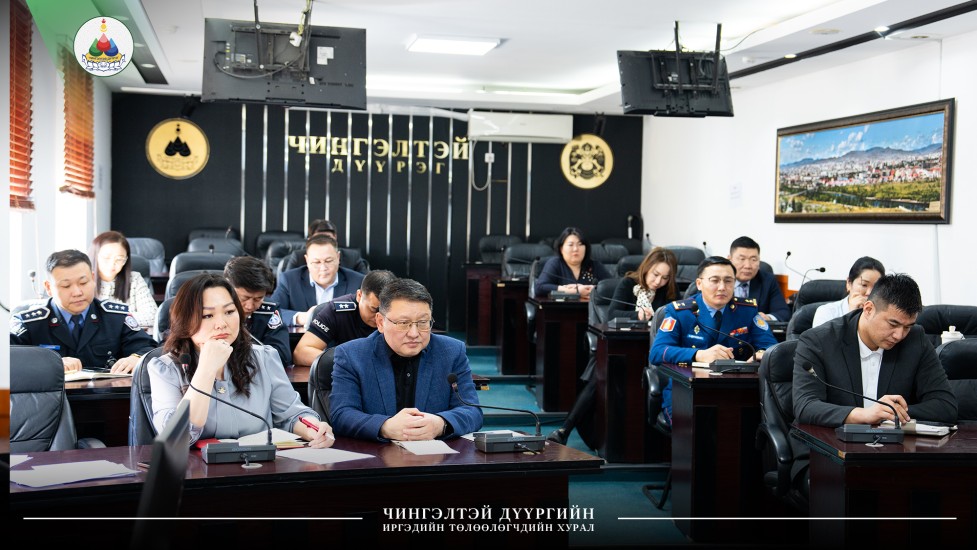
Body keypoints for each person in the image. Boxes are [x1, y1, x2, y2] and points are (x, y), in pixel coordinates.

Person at [147, 273, 334, 447]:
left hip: (259, 465)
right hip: (196, 469)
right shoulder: (166, 368)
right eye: (207, 315)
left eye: (229, 312)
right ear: (185, 322)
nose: (222, 324)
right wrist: (206, 369)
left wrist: (313, 428)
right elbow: (176, 437)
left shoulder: (263, 358)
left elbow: (292, 415)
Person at [548, 247, 679, 444]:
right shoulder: (628, 283)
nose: (658, 281)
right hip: (620, 348)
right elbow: (612, 314)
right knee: (599, 376)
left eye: (665, 278)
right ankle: (564, 429)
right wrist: (638, 315)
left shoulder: (669, 292)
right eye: (655, 274)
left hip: (651, 349)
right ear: (646, 268)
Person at [793, 274, 957, 427]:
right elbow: (805, 406)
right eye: (893, 324)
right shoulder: (819, 341)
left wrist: (890, 413)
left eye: (907, 327)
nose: (899, 335)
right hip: (832, 442)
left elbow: (946, 406)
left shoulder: (915, 339)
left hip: (893, 445)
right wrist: (863, 415)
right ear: (868, 309)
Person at [330, 278, 483, 441]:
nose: (414, 333)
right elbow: (341, 414)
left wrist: (441, 424)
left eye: (423, 322)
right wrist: (384, 427)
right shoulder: (352, 356)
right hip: (375, 453)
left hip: (434, 454)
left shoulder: (452, 352)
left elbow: (473, 412)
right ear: (380, 322)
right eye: (403, 323)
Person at [649, 256, 778, 422]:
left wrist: (760, 355)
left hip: (735, 391)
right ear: (699, 284)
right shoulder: (680, 312)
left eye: (728, 281)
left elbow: (771, 347)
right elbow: (657, 352)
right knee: (697, 427)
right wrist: (699, 355)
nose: (722, 287)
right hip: (687, 391)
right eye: (715, 280)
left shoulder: (747, 311)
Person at [10, 249, 157, 373]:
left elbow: (149, 348)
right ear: (49, 288)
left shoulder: (115, 318)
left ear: (93, 279)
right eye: (66, 286)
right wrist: (49, 363)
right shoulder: (31, 324)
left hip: (105, 396)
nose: (77, 292)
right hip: (50, 397)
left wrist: (136, 358)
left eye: (83, 282)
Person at [156, 256, 291, 366]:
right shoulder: (192, 309)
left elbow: (282, 356)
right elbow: (169, 349)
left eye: (258, 299)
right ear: (228, 287)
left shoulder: (269, 310)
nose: (250, 306)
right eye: (244, 298)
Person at [292, 269, 398, 367]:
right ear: (359, 295)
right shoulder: (337, 311)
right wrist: (348, 362)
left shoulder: (402, 314)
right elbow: (301, 352)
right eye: (374, 309)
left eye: (385, 313)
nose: (379, 318)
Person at [270, 234, 365, 327]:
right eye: (316, 262)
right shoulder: (289, 280)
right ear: (307, 260)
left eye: (328, 261)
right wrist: (303, 317)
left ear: (338, 257)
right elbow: (272, 311)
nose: (323, 268)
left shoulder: (357, 281)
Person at [90, 230, 158, 327]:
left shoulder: (134, 279)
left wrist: (107, 319)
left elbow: (152, 316)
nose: (112, 264)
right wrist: (125, 318)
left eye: (119, 259)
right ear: (95, 256)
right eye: (106, 258)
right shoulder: (84, 281)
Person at [534, 227, 612, 299]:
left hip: (589, 308)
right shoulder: (555, 263)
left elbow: (612, 287)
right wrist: (574, 291)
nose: (575, 249)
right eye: (570, 245)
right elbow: (539, 288)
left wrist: (595, 289)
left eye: (580, 244)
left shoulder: (594, 266)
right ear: (561, 249)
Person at [727, 236, 792, 322]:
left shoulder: (768, 280)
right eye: (742, 259)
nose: (748, 266)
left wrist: (767, 317)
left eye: (753, 259)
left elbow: (783, 312)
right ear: (730, 260)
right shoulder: (719, 281)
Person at [811, 256, 885, 328]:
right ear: (849, 283)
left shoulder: (882, 316)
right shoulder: (826, 312)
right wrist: (851, 315)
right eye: (864, 285)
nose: (869, 293)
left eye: (875, 287)